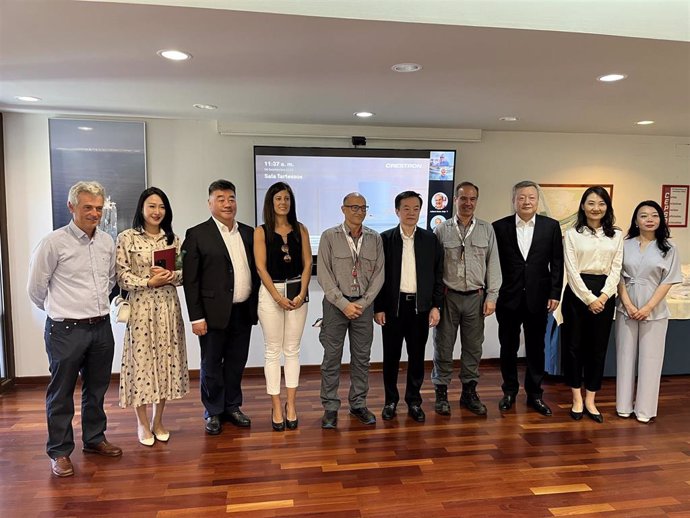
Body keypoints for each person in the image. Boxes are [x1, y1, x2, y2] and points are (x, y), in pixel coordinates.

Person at [27, 181, 122, 478]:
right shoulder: (53, 243)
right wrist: (62, 312)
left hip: (101, 328)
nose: (94, 213)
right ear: (72, 207)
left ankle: (94, 440)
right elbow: (36, 289)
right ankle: (59, 451)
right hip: (65, 330)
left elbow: (109, 281)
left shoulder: (107, 241)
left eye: (98, 208)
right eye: (87, 208)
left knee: (96, 390)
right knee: (61, 393)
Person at [182, 180, 259, 435]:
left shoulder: (249, 233)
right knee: (212, 363)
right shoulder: (197, 234)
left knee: (237, 362)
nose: (227, 203)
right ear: (210, 203)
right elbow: (190, 281)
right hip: (212, 314)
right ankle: (213, 411)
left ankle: (232, 406)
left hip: (242, 311)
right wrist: (196, 317)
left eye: (231, 198)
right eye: (221, 198)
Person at [116, 187, 189, 446]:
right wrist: (149, 281)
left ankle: (159, 421)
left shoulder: (173, 239)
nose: (157, 212)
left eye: (161, 207)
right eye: (152, 206)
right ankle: (142, 423)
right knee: (142, 364)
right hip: (141, 308)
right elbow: (121, 275)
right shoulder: (127, 238)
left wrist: (172, 277)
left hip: (168, 309)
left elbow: (183, 274)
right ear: (142, 209)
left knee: (165, 363)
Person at [493, 181, 563, 416]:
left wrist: (555, 293)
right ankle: (509, 391)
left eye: (531, 197)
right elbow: (493, 265)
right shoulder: (499, 227)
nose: (526, 202)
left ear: (537, 201)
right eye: (521, 197)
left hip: (539, 298)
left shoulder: (550, 227)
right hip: (508, 297)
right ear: (514, 200)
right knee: (508, 347)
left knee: (536, 347)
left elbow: (557, 263)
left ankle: (535, 394)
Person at [431, 182, 501, 416]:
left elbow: (493, 265)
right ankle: (441, 393)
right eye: (463, 198)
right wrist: (435, 303)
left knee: (473, 348)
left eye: (472, 199)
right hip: (448, 297)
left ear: (476, 201)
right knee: (443, 346)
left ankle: (469, 393)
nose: (468, 203)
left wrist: (492, 296)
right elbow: (434, 269)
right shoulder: (442, 230)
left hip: (476, 299)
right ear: (455, 200)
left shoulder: (486, 229)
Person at [374, 191, 444, 422]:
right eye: (406, 208)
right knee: (391, 357)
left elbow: (438, 275)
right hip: (393, 309)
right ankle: (390, 401)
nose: (411, 213)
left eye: (415, 208)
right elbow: (378, 277)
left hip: (420, 309)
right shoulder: (385, 239)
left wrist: (436, 306)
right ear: (397, 211)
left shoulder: (430, 240)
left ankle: (414, 401)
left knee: (416, 357)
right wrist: (379, 307)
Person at [317, 192, 384, 428]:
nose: (359, 211)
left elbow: (379, 275)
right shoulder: (329, 236)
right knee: (331, 358)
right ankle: (330, 408)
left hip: (363, 308)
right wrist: (343, 303)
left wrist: (363, 303)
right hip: (336, 306)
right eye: (353, 207)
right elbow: (324, 275)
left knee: (362, 359)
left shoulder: (375, 238)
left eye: (363, 207)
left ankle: (358, 404)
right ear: (343, 209)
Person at [561, 186, 623, 423]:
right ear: (583, 206)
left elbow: (617, 268)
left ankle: (591, 399)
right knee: (574, 347)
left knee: (598, 349)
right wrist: (589, 298)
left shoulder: (616, 235)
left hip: (605, 292)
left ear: (607, 207)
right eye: (591, 203)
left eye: (601, 203)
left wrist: (604, 296)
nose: (596, 208)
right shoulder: (572, 234)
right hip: (577, 294)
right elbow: (572, 270)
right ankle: (576, 397)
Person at [616, 200, 681, 423]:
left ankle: (644, 410)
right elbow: (618, 277)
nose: (649, 219)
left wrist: (647, 308)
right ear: (636, 220)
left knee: (651, 359)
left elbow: (668, 282)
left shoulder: (669, 249)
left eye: (654, 215)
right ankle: (623, 406)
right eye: (644, 216)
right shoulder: (624, 245)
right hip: (626, 308)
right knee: (624, 356)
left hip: (655, 310)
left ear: (661, 220)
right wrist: (629, 306)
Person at [254, 182, 312, 431]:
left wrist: (300, 294)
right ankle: (276, 405)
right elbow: (260, 267)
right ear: (271, 202)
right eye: (278, 198)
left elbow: (308, 263)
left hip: (297, 291)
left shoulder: (301, 229)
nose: (283, 203)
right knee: (272, 351)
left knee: (292, 350)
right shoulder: (261, 231)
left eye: (287, 198)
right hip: (271, 293)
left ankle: (291, 405)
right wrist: (278, 298)